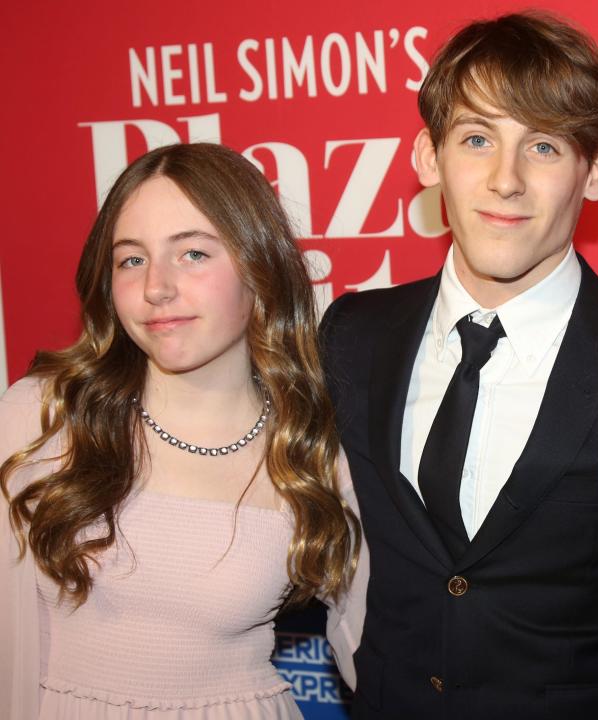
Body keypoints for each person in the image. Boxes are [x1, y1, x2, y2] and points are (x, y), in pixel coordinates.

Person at [319, 12, 598, 719]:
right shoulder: (351, 336)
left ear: (597, 173)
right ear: (428, 159)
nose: (506, 180)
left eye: (545, 148)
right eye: (475, 139)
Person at [0, 142, 364, 718]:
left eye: (193, 254)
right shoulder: (41, 418)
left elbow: (381, 653)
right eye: (131, 259)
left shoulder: (312, 448)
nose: (156, 288)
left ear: (258, 266)